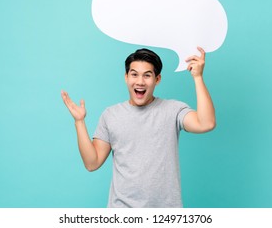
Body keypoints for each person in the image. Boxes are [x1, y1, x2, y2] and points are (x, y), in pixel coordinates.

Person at [61, 46, 216, 207]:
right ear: (126, 77)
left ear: (157, 79)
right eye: (134, 74)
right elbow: (92, 163)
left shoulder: (173, 110)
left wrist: (197, 77)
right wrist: (79, 122)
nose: (140, 82)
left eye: (147, 75)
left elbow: (206, 123)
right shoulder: (111, 115)